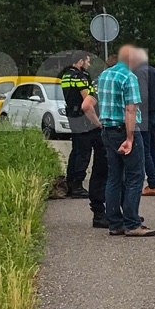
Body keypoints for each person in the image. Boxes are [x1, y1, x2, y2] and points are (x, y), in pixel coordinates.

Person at [97, 45, 155, 237]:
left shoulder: (104, 75)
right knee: (135, 176)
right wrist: (130, 138)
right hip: (124, 130)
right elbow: (130, 110)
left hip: (108, 130)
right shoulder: (129, 78)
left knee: (114, 176)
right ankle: (132, 223)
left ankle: (114, 223)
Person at [60, 53, 97, 199]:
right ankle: (77, 186)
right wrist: (96, 121)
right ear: (80, 61)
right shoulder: (81, 77)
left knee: (76, 150)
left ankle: (70, 183)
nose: (89, 64)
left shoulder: (66, 75)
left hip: (71, 114)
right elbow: (86, 100)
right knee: (84, 151)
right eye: (88, 61)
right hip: (82, 117)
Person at [133, 48, 155, 196]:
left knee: (145, 150)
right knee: (153, 148)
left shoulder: (138, 73)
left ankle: (152, 184)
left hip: (144, 114)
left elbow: (140, 95)